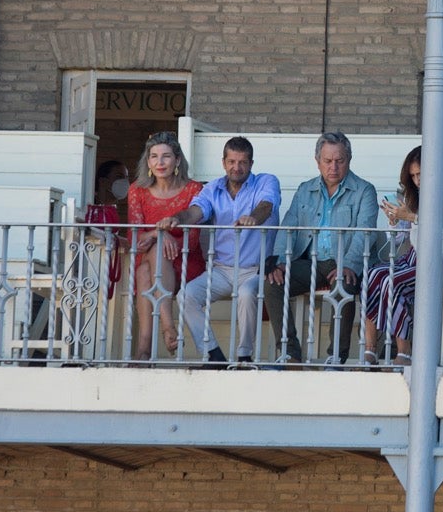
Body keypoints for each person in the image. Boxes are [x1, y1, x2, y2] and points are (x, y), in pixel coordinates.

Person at [158, 136, 281, 366]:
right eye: (232, 161)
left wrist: (253, 218)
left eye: (243, 162)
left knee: (246, 294)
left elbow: (267, 205)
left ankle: (244, 357)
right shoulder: (212, 189)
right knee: (186, 295)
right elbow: (195, 212)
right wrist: (176, 219)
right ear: (223, 162)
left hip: (256, 270)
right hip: (221, 271)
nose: (237, 167)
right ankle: (213, 354)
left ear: (251, 164)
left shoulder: (266, 181)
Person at [264, 133, 380, 366]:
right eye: (327, 161)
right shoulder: (305, 189)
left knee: (344, 284)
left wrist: (349, 265)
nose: (333, 167)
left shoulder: (364, 190)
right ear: (317, 161)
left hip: (343, 261)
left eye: (340, 160)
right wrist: (280, 261)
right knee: (272, 282)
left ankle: (336, 356)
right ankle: (289, 352)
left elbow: (364, 232)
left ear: (349, 159)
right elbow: (289, 226)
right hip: (310, 261)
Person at [362, 145, 443, 368]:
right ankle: (370, 350)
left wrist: (409, 216)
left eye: (420, 174)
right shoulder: (415, 195)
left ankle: (404, 351)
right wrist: (394, 220)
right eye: (413, 176)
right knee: (372, 274)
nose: (417, 180)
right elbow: (401, 238)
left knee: (392, 281)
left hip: (438, 261)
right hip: (411, 257)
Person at [124, 133, 204, 362]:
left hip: (186, 263)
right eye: (154, 157)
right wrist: (159, 234)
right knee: (145, 267)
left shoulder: (193, 190)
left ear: (177, 160)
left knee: (149, 264)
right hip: (150, 263)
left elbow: (195, 239)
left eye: (166, 156)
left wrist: (163, 238)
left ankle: (144, 349)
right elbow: (134, 238)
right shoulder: (137, 190)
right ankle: (168, 327)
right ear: (148, 162)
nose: (160, 162)